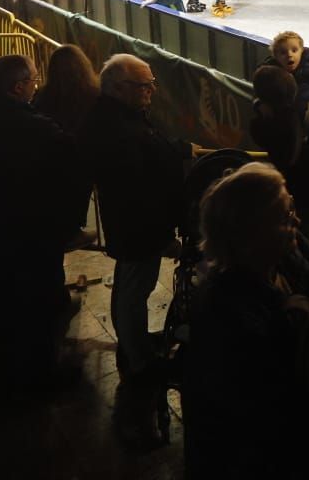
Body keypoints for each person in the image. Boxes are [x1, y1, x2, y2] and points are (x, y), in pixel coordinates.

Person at [0, 55, 87, 393]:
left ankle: (5, 375)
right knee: (35, 310)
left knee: (1, 311)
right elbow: (71, 166)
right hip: (29, 235)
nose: (36, 85)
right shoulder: (33, 127)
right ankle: (38, 379)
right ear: (18, 86)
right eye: (34, 80)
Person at [82, 54, 187, 447]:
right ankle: (138, 360)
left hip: (139, 225)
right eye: (144, 85)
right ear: (117, 88)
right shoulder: (114, 128)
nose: (151, 91)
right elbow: (139, 179)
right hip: (138, 226)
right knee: (133, 290)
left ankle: (135, 350)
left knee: (132, 286)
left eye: (151, 83)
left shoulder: (116, 117)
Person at [182, 163, 309, 479]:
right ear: (250, 233)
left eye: (292, 208)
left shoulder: (292, 253)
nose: (296, 220)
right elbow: (269, 416)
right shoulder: (226, 317)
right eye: (284, 216)